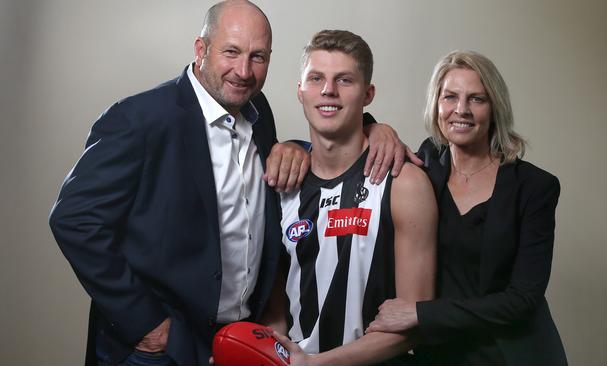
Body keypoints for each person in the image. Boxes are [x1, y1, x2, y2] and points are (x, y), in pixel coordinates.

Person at [48, 2, 414, 365]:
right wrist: (147, 325)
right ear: (201, 49)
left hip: (239, 340)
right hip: (158, 345)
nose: (243, 71)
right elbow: (73, 220)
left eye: (258, 57)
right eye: (231, 52)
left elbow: (322, 148)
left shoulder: (258, 112)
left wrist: (371, 128)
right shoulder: (140, 119)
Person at [367, 50, 568, 365]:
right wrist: (375, 127)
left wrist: (419, 313)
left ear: (495, 108)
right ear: (436, 105)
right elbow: (350, 145)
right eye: (450, 97)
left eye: (477, 99)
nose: (461, 110)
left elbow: (522, 300)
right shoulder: (425, 166)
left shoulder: (535, 187)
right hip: (440, 353)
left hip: (511, 353)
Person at [269, 30, 437, 366]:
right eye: (316, 78)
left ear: (368, 93)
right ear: (300, 91)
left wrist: (318, 365)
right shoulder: (282, 183)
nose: (328, 90)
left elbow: (415, 320)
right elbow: (274, 307)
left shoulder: (405, 183)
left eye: (344, 80)